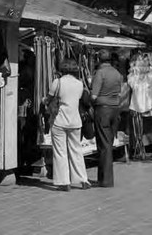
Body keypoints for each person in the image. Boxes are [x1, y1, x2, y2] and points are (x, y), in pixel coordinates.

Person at [42, 58, 91, 191]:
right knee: (76, 150)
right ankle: (83, 179)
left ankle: (64, 182)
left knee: (60, 152)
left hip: (60, 120)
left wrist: (43, 100)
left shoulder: (57, 82)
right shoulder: (79, 84)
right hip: (75, 121)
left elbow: (48, 99)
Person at [91, 49, 122, 187]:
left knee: (104, 146)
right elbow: (119, 92)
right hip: (115, 110)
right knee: (108, 143)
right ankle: (104, 178)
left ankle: (105, 180)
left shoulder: (100, 73)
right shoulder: (117, 73)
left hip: (103, 110)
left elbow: (94, 96)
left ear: (99, 60)